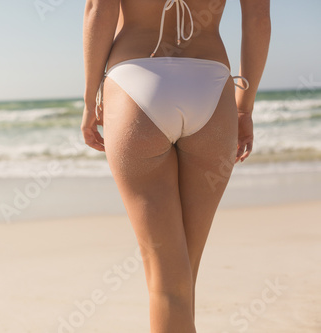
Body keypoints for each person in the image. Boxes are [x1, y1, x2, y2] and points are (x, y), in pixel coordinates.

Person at [81, 0, 270, 332]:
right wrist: (244, 110)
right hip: (210, 81)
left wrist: (88, 100)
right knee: (184, 274)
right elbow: (257, 16)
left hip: (136, 79)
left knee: (168, 281)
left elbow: (100, 8)